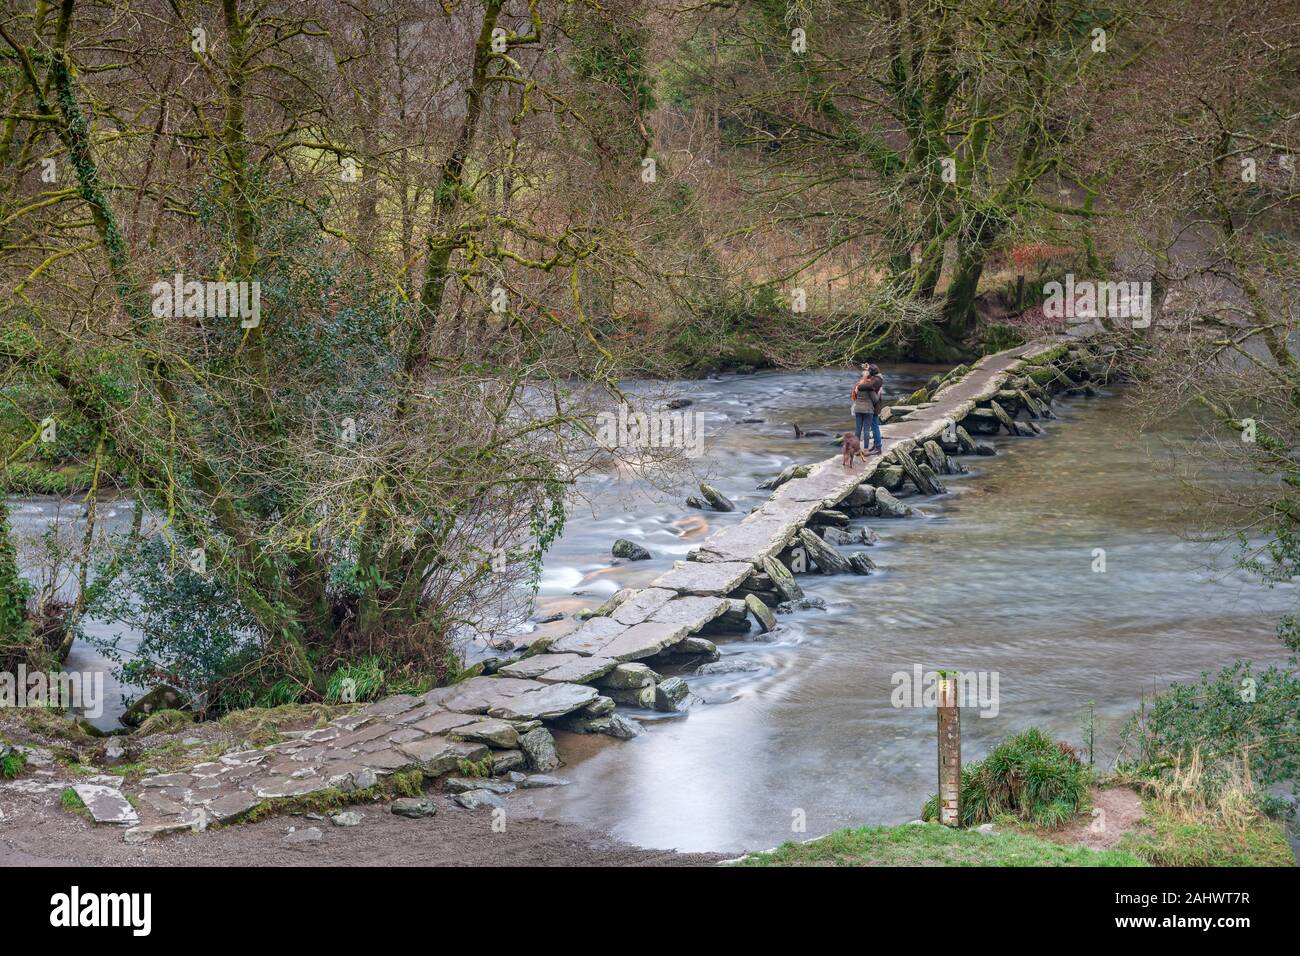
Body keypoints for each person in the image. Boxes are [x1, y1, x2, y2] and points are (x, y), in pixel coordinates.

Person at [851, 362, 883, 454]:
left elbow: (856, 396)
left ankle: (877, 447)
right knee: (868, 429)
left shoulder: (876, 380)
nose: (867, 372)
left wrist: (858, 387)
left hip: (864, 409)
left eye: (868, 370)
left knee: (862, 429)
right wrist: (879, 393)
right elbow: (875, 399)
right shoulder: (870, 383)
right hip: (868, 409)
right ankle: (869, 448)